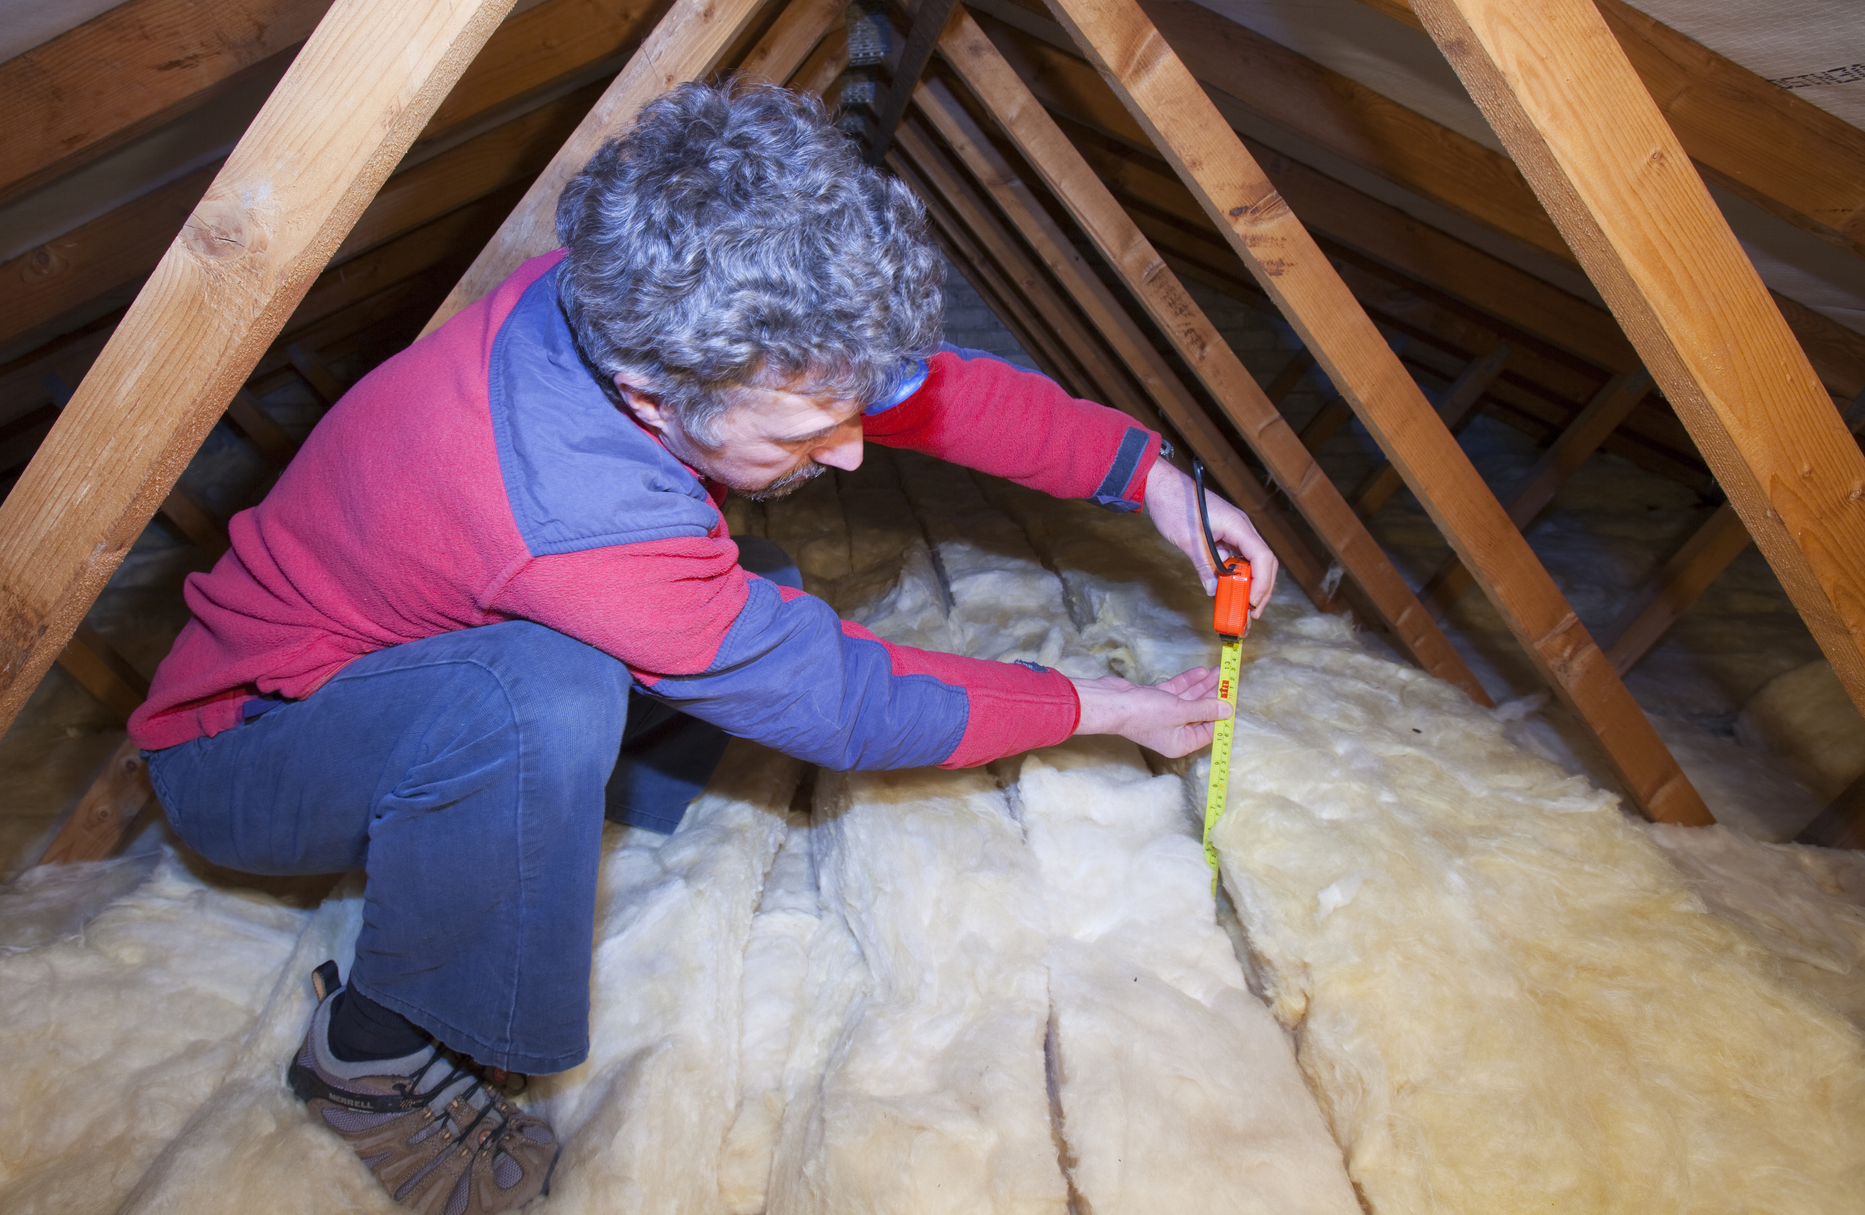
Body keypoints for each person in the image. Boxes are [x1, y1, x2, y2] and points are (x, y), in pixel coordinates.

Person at [128, 80, 1275, 1212]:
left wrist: (1153, 478)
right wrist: (1096, 703)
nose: (853, 457)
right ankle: (369, 1055)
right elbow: (845, 705)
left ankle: (503, 824)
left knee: (732, 603)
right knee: (550, 695)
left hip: (400, 667)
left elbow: (935, 396)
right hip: (245, 751)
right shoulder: (576, 514)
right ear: (650, 395)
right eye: (805, 433)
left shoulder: (639, 295)